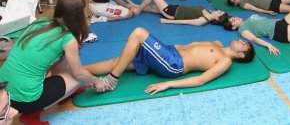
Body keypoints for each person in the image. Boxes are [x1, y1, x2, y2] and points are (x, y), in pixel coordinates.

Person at [0, 0, 106, 124]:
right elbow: (78, 73)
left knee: (62, 59)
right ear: (78, 16)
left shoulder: (40, 22)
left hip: (4, 93)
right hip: (26, 100)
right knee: (78, 77)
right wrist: (97, 81)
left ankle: (64, 93)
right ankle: (32, 114)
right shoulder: (68, 39)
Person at [84, 27, 255, 94]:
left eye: (245, 45)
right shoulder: (217, 43)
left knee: (138, 33)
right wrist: (161, 48)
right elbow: (185, 45)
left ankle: (111, 81)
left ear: (241, 55)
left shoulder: (225, 61)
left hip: (173, 64)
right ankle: (79, 71)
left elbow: (201, 80)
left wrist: (169, 85)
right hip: (168, 51)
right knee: (118, 61)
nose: (242, 41)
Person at [126, 0, 229, 26]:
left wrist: (167, 21)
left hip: (171, 13)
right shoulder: (209, 12)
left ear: (217, 19)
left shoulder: (203, 20)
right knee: (151, 8)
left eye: (220, 13)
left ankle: (138, 10)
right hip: (173, 8)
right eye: (220, 10)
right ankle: (134, 5)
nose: (219, 10)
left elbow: (185, 22)